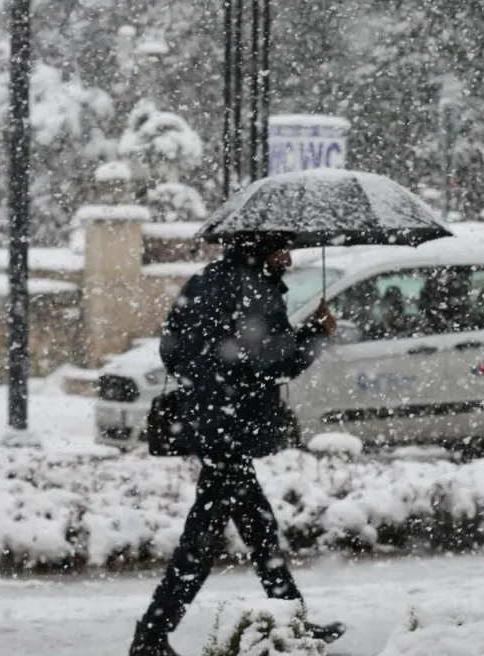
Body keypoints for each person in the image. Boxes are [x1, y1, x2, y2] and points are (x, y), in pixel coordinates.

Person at [130, 233, 343, 656]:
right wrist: (317, 334)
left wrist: (205, 383)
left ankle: (291, 620)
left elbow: (171, 349)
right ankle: (151, 636)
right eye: (282, 249)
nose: (290, 257)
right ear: (262, 249)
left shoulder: (205, 279)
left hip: (209, 423)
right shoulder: (257, 289)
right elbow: (275, 362)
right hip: (233, 426)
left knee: (258, 528)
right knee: (203, 541)